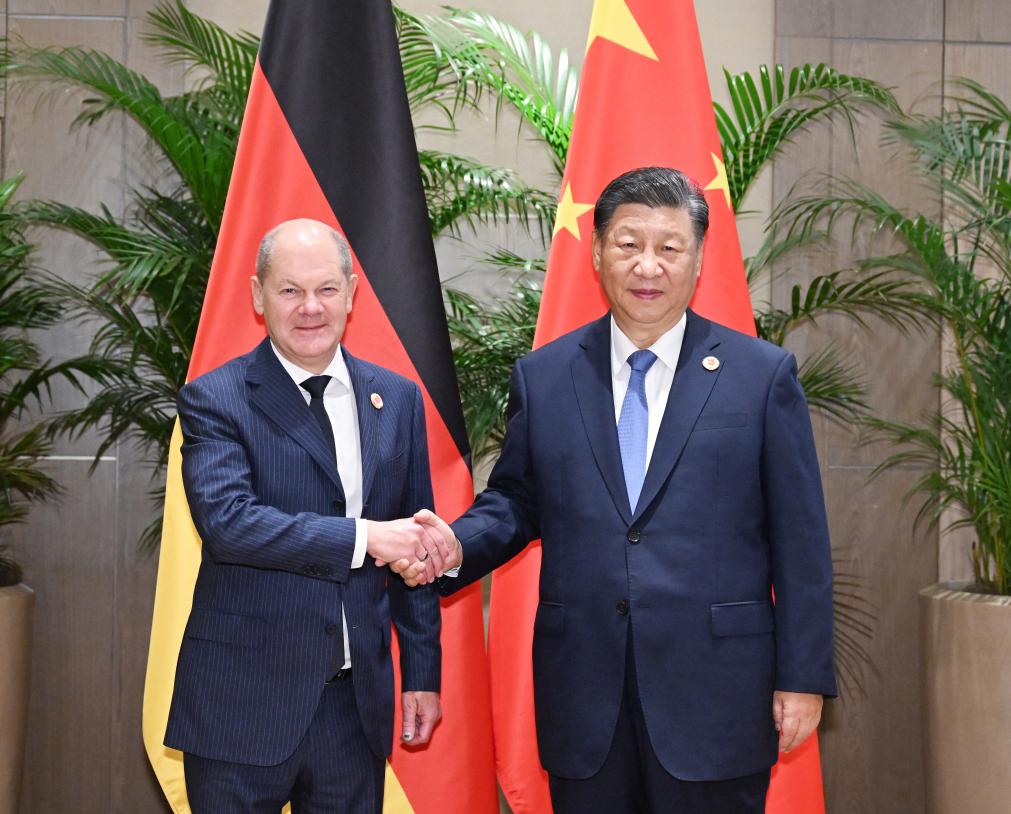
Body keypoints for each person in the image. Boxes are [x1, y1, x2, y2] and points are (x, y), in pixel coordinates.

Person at [399, 167, 837, 813]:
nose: (647, 265)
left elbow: (800, 542)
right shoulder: (545, 377)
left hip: (715, 694)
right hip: (585, 695)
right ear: (598, 252)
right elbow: (517, 502)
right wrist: (453, 546)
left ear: (697, 259)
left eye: (668, 246)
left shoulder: (759, 377)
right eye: (628, 244)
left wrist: (801, 679)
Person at [165, 218, 448, 813]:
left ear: (351, 293)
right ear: (257, 296)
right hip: (241, 707)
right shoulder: (215, 398)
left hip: (353, 711)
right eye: (289, 290)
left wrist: (422, 672)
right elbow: (230, 524)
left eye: (325, 289)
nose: (310, 307)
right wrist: (365, 537)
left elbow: (415, 545)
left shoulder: (395, 398)